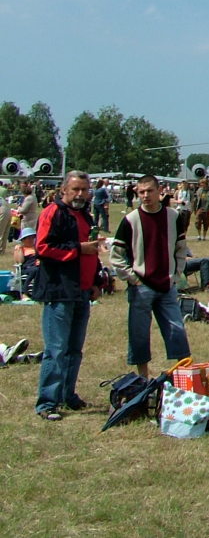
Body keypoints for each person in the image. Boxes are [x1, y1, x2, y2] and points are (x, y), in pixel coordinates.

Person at [31, 171, 101, 420]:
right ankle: (47, 402)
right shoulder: (53, 212)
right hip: (60, 291)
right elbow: (43, 247)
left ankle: (67, 394)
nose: (80, 194)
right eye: (75, 189)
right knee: (56, 349)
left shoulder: (85, 215)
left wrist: (96, 281)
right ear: (64, 190)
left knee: (74, 349)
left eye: (84, 189)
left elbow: (92, 251)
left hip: (82, 291)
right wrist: (78, 249)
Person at [110, 174, 191, 379]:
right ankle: (143, 379)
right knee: (139, 334)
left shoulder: (173, 217)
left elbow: (181, 248)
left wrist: (176, 275)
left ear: (159, 191)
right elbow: (116, 255)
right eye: (141, 192)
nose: (145, 196)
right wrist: (133, 278)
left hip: (167, 285)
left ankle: (183, 377)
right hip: (141, 286)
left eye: (149, 191)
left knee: (177, 331)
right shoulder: (131, 219)